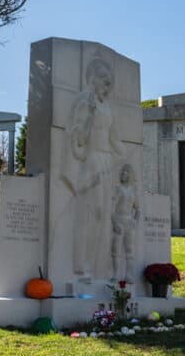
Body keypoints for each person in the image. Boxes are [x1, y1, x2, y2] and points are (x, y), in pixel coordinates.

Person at [61, 57, 123, 277]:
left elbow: (114, 137)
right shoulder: (84, 102)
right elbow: (77, 137)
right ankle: (82, 265)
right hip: (92, 160)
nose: (107, 85)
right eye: (103, 80)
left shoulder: (107, 108)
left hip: (107, 160)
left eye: (109, 81)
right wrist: (88, 118)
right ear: (93, 78)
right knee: (92, 212)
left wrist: (123, 156)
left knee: (103, 214)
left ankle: (94, 265)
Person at [111, 164, 140, 283]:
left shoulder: (133, 191)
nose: (122, 174)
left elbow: (138, 209)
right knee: (116, 250)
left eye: (125, 172)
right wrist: (115, 223)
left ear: (130, 175)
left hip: (129, 222)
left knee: (130, 250)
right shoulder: (118, 189)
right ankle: (116, 274)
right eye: (122, 172)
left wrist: (135, 221)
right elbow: (111, 208)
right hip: (119, 220)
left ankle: (129, 275)